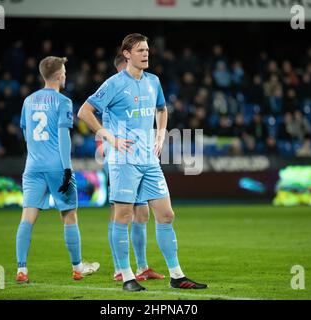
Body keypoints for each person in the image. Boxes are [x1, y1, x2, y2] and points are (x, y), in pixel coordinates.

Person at [78, 33, 207, 291]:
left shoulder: (153, 81)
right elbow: (84, 111)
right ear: (126, 54)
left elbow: (162, 109)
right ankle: (126, 275)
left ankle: (177, 276)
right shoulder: (114, 84)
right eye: (140, 50)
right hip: (124, 160)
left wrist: (160, 135)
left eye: (147, 50)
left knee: (166, 214)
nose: (146, 54)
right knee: (123, 215)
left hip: (149, 159)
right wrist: (108, 136)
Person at [16, 56, 99, 284]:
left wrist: (37, 153)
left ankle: (22, 269)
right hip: (56, 166)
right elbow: (64, 138)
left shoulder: (28, 101)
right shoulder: (63, 102)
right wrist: (67, 168)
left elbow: (25, 134)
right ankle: (78, 267)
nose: (65, 74)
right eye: (64, 71)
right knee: (69, 216)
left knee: (27, 218)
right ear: (59, 75)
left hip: (33, 167)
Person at [98, 53, 165, 282]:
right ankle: (119, 268)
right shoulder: (113, 91)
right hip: (119, 159)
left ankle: (142, 266)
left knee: (143, 213)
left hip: (139, 158)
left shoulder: (143, 85)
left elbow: (156, 110)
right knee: (120, 213)